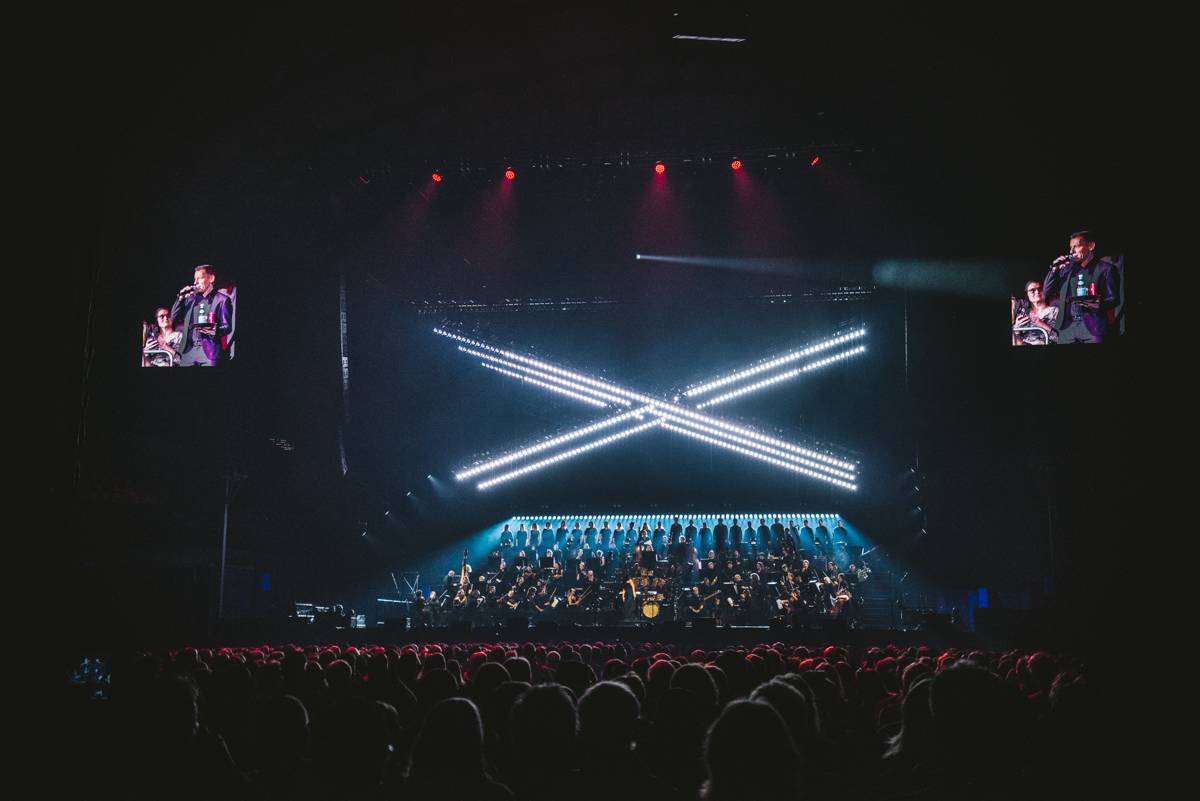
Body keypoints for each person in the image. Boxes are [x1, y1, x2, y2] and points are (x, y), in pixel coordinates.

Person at [1042, 230, 1121, 344]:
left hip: (1092, 328)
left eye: (1076, 246)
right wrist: (1054, 270)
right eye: (1070, 247)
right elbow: (1047, 290)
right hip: (1067, 327)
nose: (1071, 251)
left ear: (1091, 246)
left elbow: (1113, 299)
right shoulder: (1067, 269)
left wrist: (1090, 303)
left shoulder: (1105, 269)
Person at [170, 264, 233, 367]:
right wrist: (180, 298)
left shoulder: (222, 300)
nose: (195, 282)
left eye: (199, 278)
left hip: (209, 353)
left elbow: (227, 327)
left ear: (211, 278)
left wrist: (214, 330)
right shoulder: (190, 299)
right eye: (195, 279)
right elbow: (173, 317)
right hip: (188, 351)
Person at [1013, 280, 1059, 345]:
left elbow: (1060, 337)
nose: (1037, 292)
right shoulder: (1023, 313)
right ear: (1027, 295)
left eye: (1040, 289)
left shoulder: (1055, 311)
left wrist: (1041, 324)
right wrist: (1016, 328)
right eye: (1032, 290)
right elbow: (1017, 338)